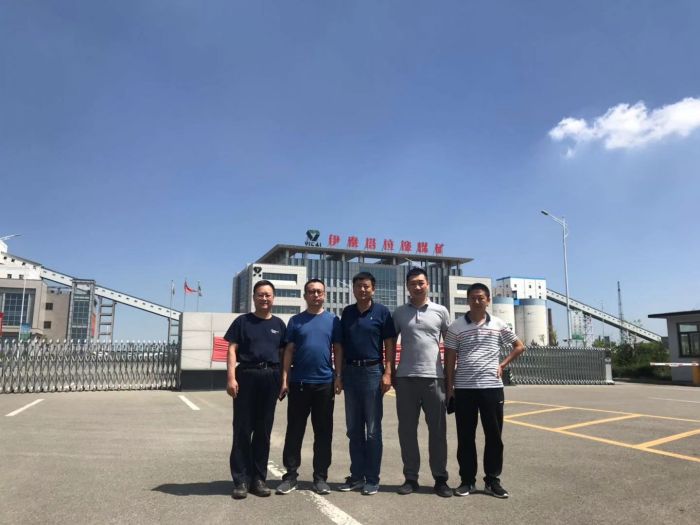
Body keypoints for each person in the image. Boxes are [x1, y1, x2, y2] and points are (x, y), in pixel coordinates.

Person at [444, 282, 525, 499]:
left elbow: (519, 346)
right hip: (464, 389)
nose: (477, 301)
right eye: (473, 298)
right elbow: (449, 358)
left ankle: (492, 480)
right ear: (468, 301)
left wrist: (502, 364)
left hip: (492, 388)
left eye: (481, 297)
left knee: (494, 436)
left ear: (488, 300)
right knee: (465, 437)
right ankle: (467, 481)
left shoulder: (498, 324)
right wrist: (449, 387)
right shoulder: (456, 326)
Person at [276, 279, 343, 495]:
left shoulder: (333, 320)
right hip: (299, 384)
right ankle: (290, 476)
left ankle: (320, 477)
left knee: (323, 432)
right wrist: (285, 379)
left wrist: (338, 376)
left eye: (319, 292)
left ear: (325, 295)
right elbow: (288, 351)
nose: (316, 295)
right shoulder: (295, 321)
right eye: (312, 292)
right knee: (294, 431)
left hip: (324, 384)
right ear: (305, 296)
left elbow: (338, 349)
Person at [392, 267, 452, 497]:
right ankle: (410, 477)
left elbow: (450, 345)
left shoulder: (441, 311)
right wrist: (390, 371)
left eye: (421, 283)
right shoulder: (399, 313)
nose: (417, 287)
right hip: (405, 378)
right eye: (413, 283)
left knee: (437, 431)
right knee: (407, 431)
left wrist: (450, 379)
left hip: (434, 378)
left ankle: (440, 478)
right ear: (407, 287)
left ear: (428, 284)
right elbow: (389, 344)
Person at [224, 280, 287, 500]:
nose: (264, 298)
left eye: (268, 295)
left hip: (270, 376)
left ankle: (259, 479)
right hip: (246, 376)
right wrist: (231, 377)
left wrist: (284, 380)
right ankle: (241, 480)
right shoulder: (242, 322)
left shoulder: (279, 324)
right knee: (242, 429)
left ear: (273, 298)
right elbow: (232, 350)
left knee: (263, 430)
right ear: (254, 297)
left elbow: (283, 355)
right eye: (260, 294)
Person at [338, 272, 396, 495]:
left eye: (366, 286)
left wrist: (388, 372)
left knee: (372, 429)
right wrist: (339, 375)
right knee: (353, 429)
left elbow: (389, 344)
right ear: (353, 289)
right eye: (358, 286)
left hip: (373, 372)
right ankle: (356, 476)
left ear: (373, 289)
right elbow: (341, 345)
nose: (362, 290)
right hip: (351, 372)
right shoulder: (347, 313)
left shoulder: (382, 312)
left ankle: (372, 478)